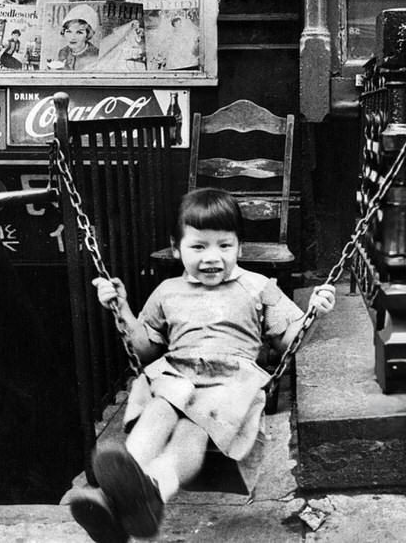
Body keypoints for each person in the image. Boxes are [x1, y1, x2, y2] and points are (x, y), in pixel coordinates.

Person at [67, 188, 336, 543]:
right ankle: (120, 492)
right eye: (198, 247)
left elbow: (288, 341)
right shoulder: (167, 291)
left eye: (224, 246)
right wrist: (122, 309)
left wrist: (313, 312)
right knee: (161, 408)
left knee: (192, 433)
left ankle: (149, 494)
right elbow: (146, 350)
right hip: (176, 373)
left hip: (231, 380)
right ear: (176, 248)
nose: (213, 257)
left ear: (240, 247)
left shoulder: (259, 287)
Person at [57, 4, 100, 70]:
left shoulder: (96, 55)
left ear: (88, 34)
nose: (73, 37)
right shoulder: (63, 52)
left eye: (79, 32)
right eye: (69, 32)